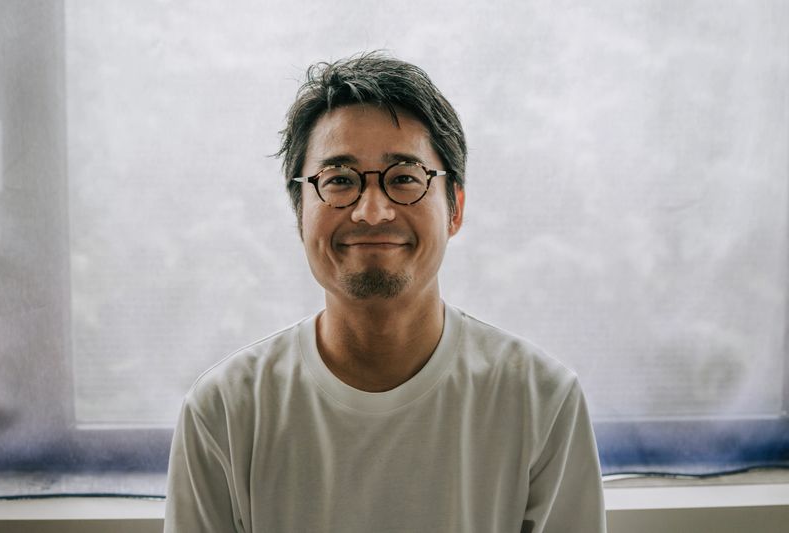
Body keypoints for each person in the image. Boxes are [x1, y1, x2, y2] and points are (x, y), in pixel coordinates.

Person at [164, 52, 606, 533]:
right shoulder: (225, 411)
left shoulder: (539, 399)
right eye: (338, 181)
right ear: (300, 212)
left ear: (454, 208)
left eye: (404, 179)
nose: (371, 212)